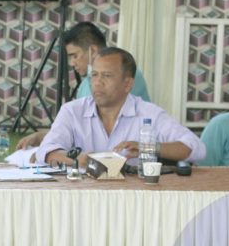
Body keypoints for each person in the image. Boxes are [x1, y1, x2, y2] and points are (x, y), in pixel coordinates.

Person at [35, 47, 205, 167]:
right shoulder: (72, 111)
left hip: (135, 199)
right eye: (94, 75)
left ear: (127, 84)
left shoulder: (149, 113)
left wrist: (147, 148)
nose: (97, 82)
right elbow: (46, 151)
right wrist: (77, 160)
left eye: (106, 76)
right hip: (83, 196)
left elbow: (196, 148)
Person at [17, 21, 151, 150]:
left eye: (74, 55)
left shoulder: (124, 76)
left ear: (93, 51)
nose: (72, 63)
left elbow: (97, 134)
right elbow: (80, 129)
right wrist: (44, 137)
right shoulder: (84, 86)